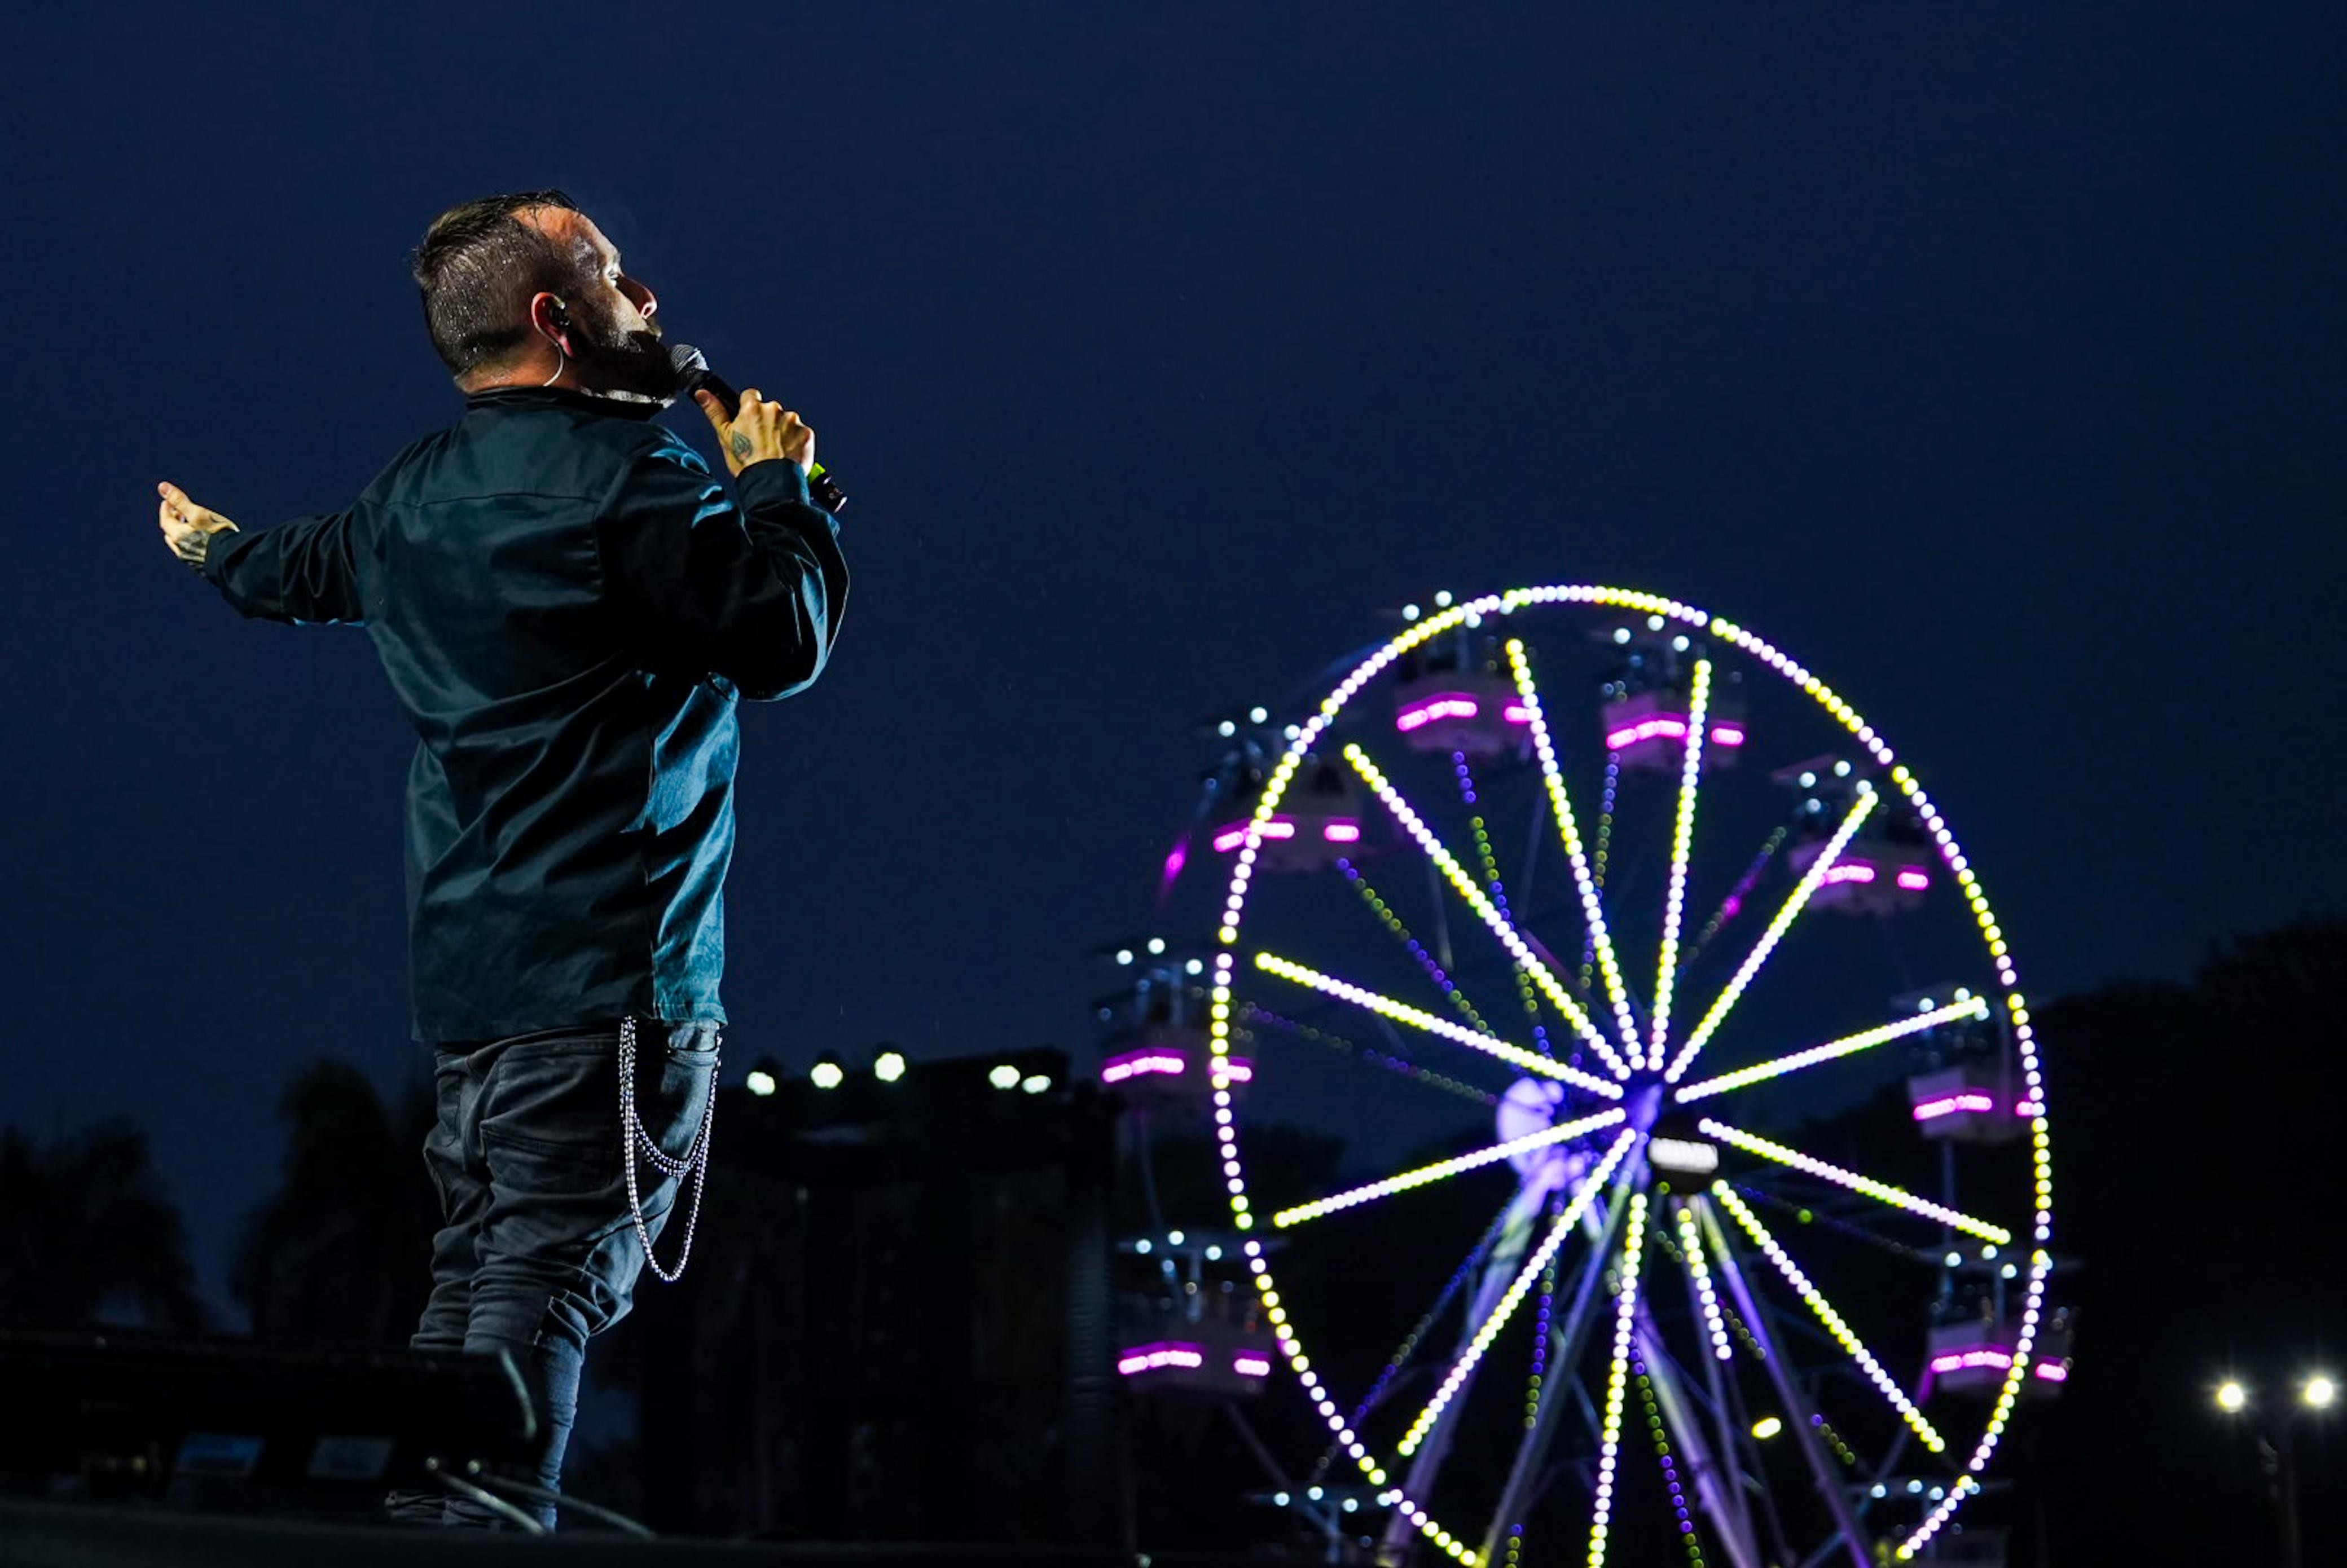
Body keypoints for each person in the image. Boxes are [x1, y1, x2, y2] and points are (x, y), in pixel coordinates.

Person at [154, 190, 850, 1527]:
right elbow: (783, 639)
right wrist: (779, 487)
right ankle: (474, 1532)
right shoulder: (634, 484)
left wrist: (214, 551)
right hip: (609, 982)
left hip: (474, 991)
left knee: (485, 1278)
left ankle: (436, 1525)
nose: (644, 294)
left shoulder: (410, 493)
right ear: (558, 319)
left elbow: (294, 568)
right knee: (545, 1279)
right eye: (612, 273)